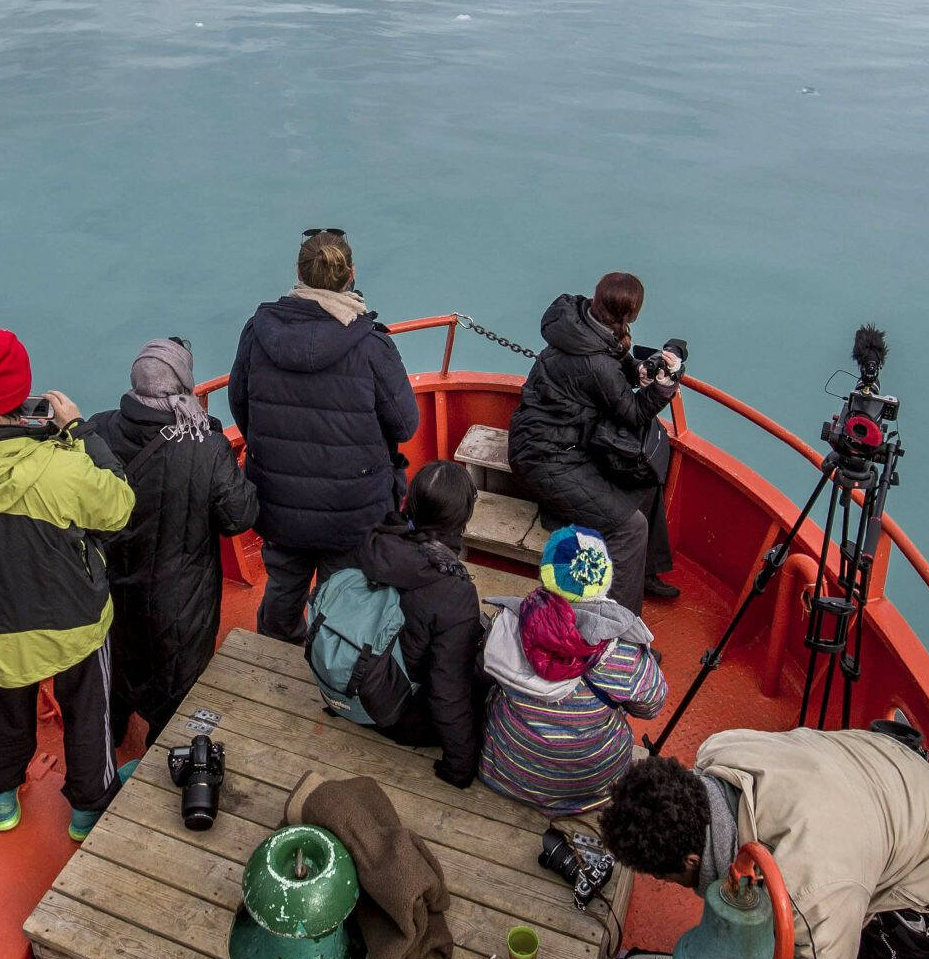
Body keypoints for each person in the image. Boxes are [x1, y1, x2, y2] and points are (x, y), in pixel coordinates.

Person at [600, 727, 929, 959]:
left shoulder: (811, 893)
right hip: (880, 778)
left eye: (665, 879)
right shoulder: (718, 752)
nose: (669, 885)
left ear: (691, 862)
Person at [0, 328, 138, 839]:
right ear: (23, 396)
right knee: (87, 713)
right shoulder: (63, 467)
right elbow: (119, 508)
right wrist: (78, 429)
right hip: (71, 623)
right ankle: (87, 809)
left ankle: (2, 798)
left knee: (5, 709)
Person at [229, 228, 420, 642]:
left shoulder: (258, 334)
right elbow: (406, 425)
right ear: (350, 275)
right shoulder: (372, 345)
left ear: (299, 272)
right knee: (342, 595)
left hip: (278, 501)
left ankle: (268, 660)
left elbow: (240, 407)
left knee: (282, 586)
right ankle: (331, 665)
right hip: (352, 508)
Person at [85, 336, 261, 745]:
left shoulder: (96, 430)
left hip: (108, 593)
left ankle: (108, 740)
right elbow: (239, 516)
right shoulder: (205, 446)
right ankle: (159, 756)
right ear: (184, 383)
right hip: (179, 603)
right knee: (176, 693)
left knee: (115, 672)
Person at [507, 272, 682, 611]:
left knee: (645, 477)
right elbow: (631, 413)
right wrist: (664, 387)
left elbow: (612, 369)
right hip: (548, 459)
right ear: (630, 315)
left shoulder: (583, 322)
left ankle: (643, 571)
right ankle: (621, 631)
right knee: (630, 529)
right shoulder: (595, 361)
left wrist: (640, 371)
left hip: (561, 442)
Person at [478, 526, 668, 815]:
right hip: (587, 788)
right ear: (604, 579)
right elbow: (651, 706)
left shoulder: (506, 624)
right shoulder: (625, 653)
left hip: (507, 771)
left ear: (547, 573)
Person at [348, 460, 488, 786]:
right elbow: (447, 692)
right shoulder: (456, 592)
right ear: (461, 520)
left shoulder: (373, 542)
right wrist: (459, 768)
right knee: (484, 674)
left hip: (354, 685)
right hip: (395, 713)